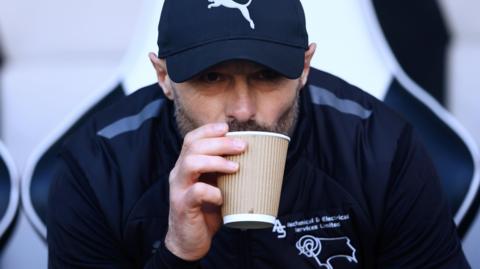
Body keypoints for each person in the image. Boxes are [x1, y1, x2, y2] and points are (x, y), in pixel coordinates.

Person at [47, 0, 471, 268]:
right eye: (211, 77)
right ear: (164, 77)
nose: (243, 110)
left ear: (304, 68)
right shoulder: (98, 165)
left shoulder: (378, 146)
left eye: (268, 75)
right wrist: (177, 252)